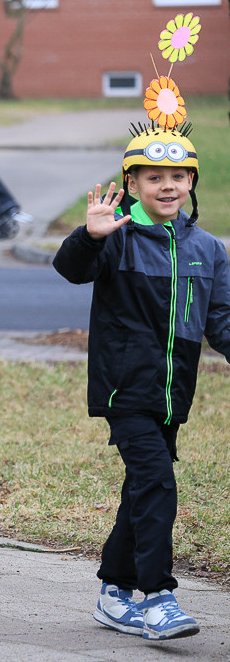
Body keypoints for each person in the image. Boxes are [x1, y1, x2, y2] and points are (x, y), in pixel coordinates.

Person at [53, 125, 219, 641]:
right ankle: (159, 598)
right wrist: (89, 236)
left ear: (191, 180)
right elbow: (70, 269)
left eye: (177, 176)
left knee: (142, 487)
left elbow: (223, 320)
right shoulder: (115, 238)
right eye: (153, 177)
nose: (167, 186)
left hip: (174, 395)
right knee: (157, 482)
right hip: (125, 390)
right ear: (132, 182)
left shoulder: (208, 249)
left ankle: (113, 591)